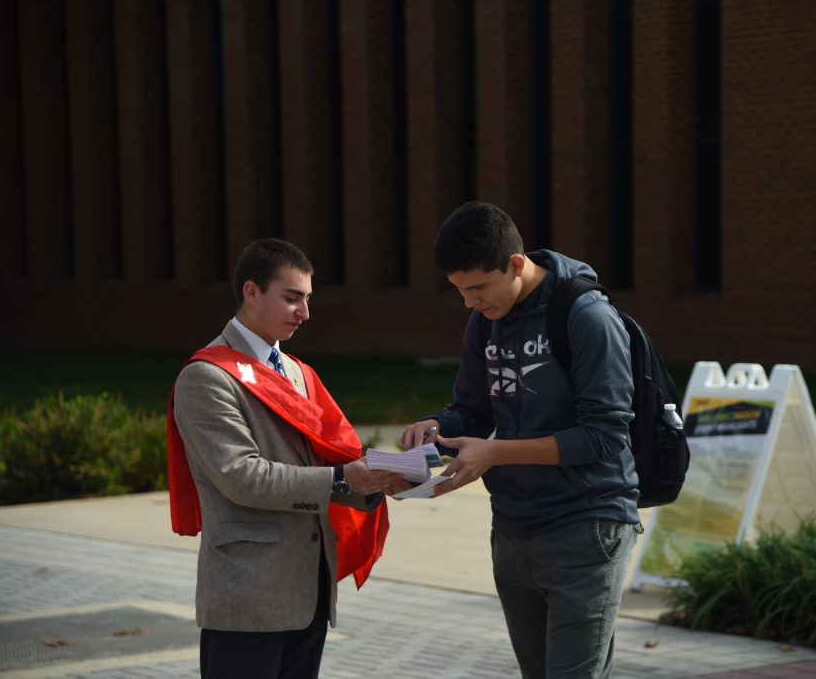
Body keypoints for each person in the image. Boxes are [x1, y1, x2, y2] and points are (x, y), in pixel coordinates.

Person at [401, 201, 643, 679]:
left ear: (515, 264)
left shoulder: (587, 317)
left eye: (477, 288)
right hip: (514, 527)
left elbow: (605, 437)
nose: (470, 303)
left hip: (586, 526)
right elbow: (473, 410)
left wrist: (494, 453)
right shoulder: (486, 318)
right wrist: (436, 431)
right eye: (460, 292)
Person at [167, 238, 405, 679]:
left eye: (307, 299)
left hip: (307, 587)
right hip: (249, 594)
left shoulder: (296, 371)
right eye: (292, 297)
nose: (305, 312)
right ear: (251, 291)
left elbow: (330, 456)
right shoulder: (207, 377)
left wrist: (376, 480)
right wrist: (341, 480)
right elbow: (242, 477)